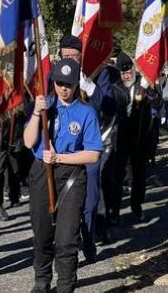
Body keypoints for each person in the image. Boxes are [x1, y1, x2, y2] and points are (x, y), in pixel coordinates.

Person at [24, 58, 103, 293]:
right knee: (42, 233)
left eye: (68, 84)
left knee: (67, 237)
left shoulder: (86, 112)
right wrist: (37, 113)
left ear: (75, 84)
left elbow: (92, 155)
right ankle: (41, 279)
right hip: (41, 173)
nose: (63, 88)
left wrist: (60, 158)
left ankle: (66, 285)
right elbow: (28, 141)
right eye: (59, 83)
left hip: (71, 176)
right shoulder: (45, 106)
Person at [56, 35, 118, 261]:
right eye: (65, 56)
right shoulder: (57, 76)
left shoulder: (98, 74)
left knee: (90, 201)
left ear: (82, 55)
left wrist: (90, 88)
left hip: (89, 148)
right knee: (64, 201)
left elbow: (111, 106)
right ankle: (69, 244)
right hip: (64, 150)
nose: (69, 59)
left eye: (74, 55)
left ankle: (89, 240)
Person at [110, 51, 153, 221]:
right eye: (123, 73)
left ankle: (137, 207)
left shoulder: (142, 86)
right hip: (119, 138)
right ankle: (114, 211)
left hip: (139, 138)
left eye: (129, 72)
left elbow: (156, 102)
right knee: (116, 176)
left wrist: (150, 86)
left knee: (138, 176)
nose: (126, 76)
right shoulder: (115, 87)